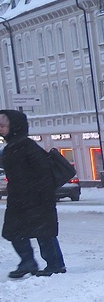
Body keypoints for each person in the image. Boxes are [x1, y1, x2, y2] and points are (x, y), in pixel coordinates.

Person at [0, 109, 66, 278]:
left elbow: (43, 173)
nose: (0, 128)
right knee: (15, 232)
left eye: (2, 125)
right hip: (19, 199)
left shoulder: (27, 147)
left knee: (44, 234)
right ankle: (27, 262)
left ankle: (55, 264)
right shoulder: (11, 147)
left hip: (37, 199)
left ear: (14, 126)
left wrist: (42, 196)